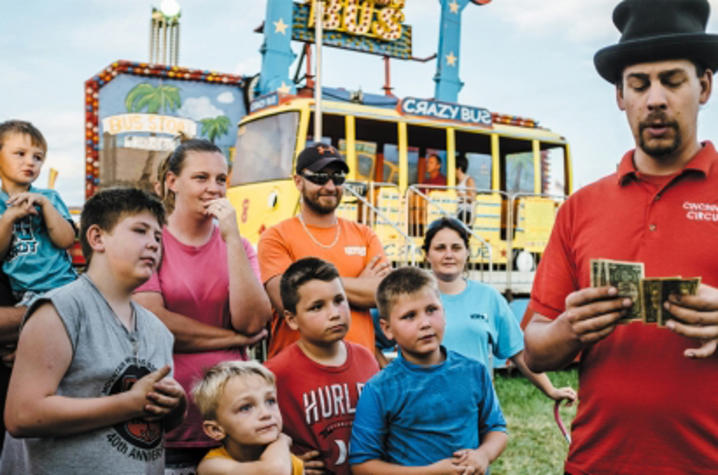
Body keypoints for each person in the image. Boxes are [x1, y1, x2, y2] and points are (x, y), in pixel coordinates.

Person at [523, 1, 718, 473]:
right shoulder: (580, 207)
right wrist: (569, 329)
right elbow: (534, 348)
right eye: (639, 83)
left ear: (704, 86)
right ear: (620, 96)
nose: (655, 98)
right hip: (596, 463)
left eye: (672, 81)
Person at [4, 188, 186, 474]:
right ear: (97, 238)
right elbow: (22, 415)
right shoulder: (60, 309)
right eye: (140, 230)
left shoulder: (158, 330)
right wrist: (129, 403)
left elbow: (153, 423)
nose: (153, 243)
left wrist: (175, 406)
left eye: (158, 237)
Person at [133, 139, 272, 470]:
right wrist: (233, 340)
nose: (214, 188)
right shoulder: (151, 241)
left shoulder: (238, 245)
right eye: (201, 178)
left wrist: (232, 240)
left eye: (221, 179)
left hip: (233, 420)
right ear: (172, 181)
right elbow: (154, 322)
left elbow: (253, 322)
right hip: (168, 419)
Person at [350, 267, 507, 474]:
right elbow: (362, 464)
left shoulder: (474, 372)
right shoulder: (380, 389)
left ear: (444, 312)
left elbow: (496, 429)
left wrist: (484, 455)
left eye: (432, 310)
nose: (425, 323)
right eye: (409, 316)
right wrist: (430, 472)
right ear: (387, 328)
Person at [258, 143, 389, 359]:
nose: (330, 186)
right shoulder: (276, 237)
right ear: (298, 181)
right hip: (299, 372)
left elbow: (383, 294)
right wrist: (358, 285)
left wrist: (307, 286)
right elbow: (285, 300)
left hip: (360, 371)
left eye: (337, 178)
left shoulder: (365, 235)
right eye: (319, 177)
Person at [424, 217, 576, 402]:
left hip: (477, 411)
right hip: (424, 410)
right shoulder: (413, 300)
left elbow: (519, 352)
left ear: (467, 253)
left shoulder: (488, 297)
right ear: (427, 254)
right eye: (440, 248)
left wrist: (551, 390)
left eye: (456, 248)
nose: (448, 255)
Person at [265, 257, 379, 475]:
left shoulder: (366, 359)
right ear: (291, 319)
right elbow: (255, 436)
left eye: (339, 300)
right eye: (317, 307)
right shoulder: (275, 373)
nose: (335, 313)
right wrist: (285, 462)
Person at [0, 120, 76, 305]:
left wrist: (46, 206)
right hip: (25, 291)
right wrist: (8, 217)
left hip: (64, 284)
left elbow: (66, 240)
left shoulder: (49, 196)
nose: (30, 162)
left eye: (38, 157)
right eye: (20, 154)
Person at [192, 361, 303, 475]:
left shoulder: (292, 463)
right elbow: (274, 472)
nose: (266, 413)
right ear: (216, 429)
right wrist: (282, 440)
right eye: (245, 408)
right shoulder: (211, 466)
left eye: (270, 401)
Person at [455, 155, 476, 224]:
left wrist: (460, 194)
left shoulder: (468, 180)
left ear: (459, 168)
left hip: (465, 210)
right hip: (455, 208)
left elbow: (472, 198)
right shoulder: (455, 181)